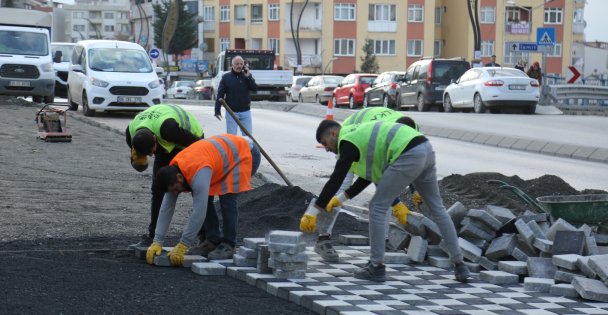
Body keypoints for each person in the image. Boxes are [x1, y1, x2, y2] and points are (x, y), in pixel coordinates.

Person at [312, 119, 470, 283]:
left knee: (377, 208)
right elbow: (370, 176)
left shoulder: (348, 140)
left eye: (325, 143)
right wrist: (343, 197)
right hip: (424, 147)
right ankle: (460, 265)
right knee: (438, 209)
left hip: (407, 152)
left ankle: (376, 266)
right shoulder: (361, 132)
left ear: (333, 133)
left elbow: (336, 178)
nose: (327, 149)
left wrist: (314, 210)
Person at [304, 107, 418, 263]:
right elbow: (376, 173)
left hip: (368, 139)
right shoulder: (381, 134)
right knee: (340, 186)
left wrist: (415, 191)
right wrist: (396, 202)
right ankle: (323, 239)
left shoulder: (411, 132)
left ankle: (382, 241)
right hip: (352, 137)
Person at [145, 134, 261, 266]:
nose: (177, 193)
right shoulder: (172, 174)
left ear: (179, 177)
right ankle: (212, 240)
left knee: (227, 198)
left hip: (244, 154)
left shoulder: (198, 172)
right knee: (203, 195)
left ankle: (229, 244)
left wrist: (184, 244)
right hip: (220, 159)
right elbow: (167, 208)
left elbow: (199, 211)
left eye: (176, 189)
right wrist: (157, 241)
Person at [126, 104, 205, 249]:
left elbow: (199, 145)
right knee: (158, 188)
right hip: (165, 146)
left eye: (151, 152)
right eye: (148, 154)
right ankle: (153, 237)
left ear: (155, 140)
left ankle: (207, 237)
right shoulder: (130, 133)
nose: (151, 156)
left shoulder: (169, 130)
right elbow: (137, 157)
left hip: (190, 141)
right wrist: (139, 160)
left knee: (198, 188)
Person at [215, 56, 258, 135]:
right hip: (231, 112)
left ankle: (246, 148)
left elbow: (255, 88)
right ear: (232, 65)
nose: (239, 66)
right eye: (237, 64)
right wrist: (217, 110)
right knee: (232, 137)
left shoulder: (247, 76)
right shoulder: (226, 77)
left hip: (245, 111)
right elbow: (220, 95)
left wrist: (248, 77)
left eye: (241, 64)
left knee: (248, 138)